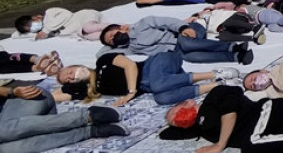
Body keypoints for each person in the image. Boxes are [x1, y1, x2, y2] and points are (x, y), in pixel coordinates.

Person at [56, 51, 236, 107]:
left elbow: (130, 65)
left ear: (76, 65)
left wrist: (131, 92)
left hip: (157, 63)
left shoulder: (102, 61)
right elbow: (56, 95)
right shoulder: (93, 89)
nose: (72, 77)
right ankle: (216, 85)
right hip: (153, 85)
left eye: (70, 72)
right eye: (69, 80)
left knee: (158, 85)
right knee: (161, 98)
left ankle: (214, 73)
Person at [0, 83, 126, 153]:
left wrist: (12, 91)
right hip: (21, 128)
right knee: (8, 151)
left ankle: (88, 116)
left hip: (29, 100)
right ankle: (90, 131)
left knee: (3, 131)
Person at [100, 17, 252, 65]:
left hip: (187, 31)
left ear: (120, 27)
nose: (114, 38)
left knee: (187, 44)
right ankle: (236, 56)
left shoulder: (143, 24)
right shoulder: (129, 48)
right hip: (177, 50)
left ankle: (232, 46)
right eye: (112, 41)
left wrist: (183, 27)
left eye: (113, 34)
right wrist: (110, 43)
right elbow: (101, 54)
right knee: (188, 56)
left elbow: (167, 22)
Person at [13, 8, 104, 41]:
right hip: (79, 29)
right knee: (88, 35)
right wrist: (35, 34)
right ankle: (113, 34)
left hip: (83, 17)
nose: (32, 28)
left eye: (30, 25)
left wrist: (46, 30)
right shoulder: (45, 32)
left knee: (88, 28)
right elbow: (15, 35)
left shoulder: (50, 13)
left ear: (34, 17)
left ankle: (112, 27)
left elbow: (66, 14)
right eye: (29, 29)